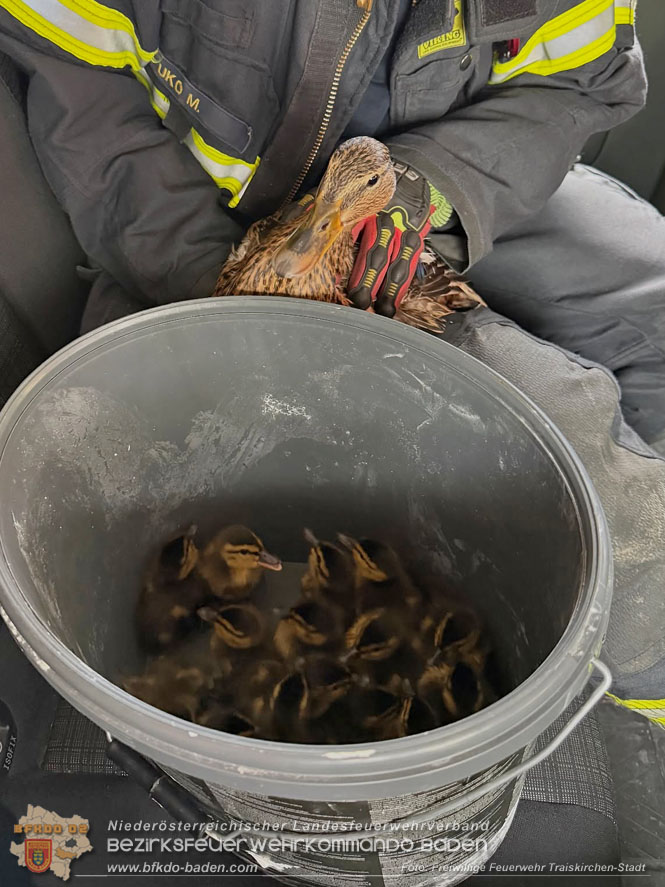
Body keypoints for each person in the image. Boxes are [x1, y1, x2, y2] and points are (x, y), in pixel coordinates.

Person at [0, 0, 663, 453]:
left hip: (458, 178)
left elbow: (577, 82)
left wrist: (430, 191)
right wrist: (226, 283)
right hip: (195, 210)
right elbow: (70, 77)